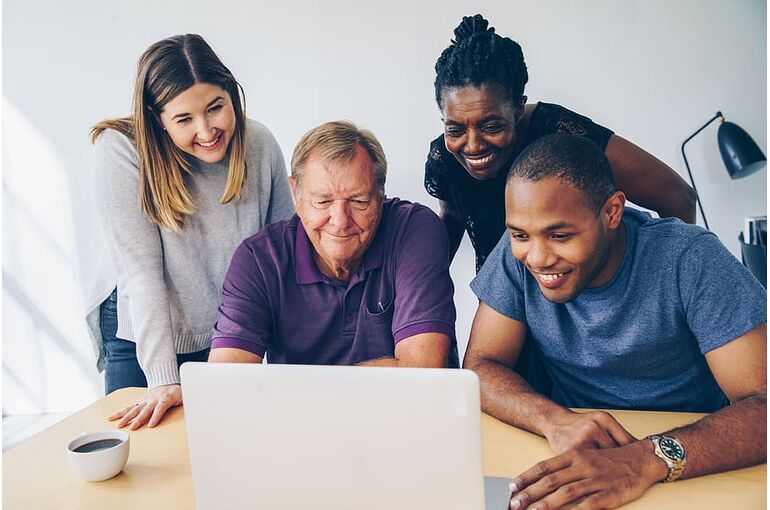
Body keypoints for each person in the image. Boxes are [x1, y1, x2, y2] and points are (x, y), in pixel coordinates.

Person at [464, 133, 766, 509]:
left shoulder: (692, 258)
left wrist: (642, 460)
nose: (537, 257)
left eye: (560, 235)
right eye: (520, 234)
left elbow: (763, 407)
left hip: (691, 460)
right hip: (576, 455)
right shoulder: (516, 258)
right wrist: (554, 421)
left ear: (612, 212)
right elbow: (480, 366)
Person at [87, 34, 294, 429]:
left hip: (224, 330)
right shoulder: (120, 151)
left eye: (216, 108)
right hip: (144, 335)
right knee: (150, 451)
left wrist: (286, 361)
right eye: (184, 119)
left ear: (232, 94)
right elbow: (142, 273)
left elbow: (283, 255)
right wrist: (163, 379)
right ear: (156, 118)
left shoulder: (260, 144)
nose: (206, 130)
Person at [427, 14, 697, 273]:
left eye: (492, 126)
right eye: (456, 129)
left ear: (519, 109)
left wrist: (667, 293)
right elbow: (453, 218)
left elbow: (677, 197)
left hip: (580, 302)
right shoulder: (445, 160)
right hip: (511, 300)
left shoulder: (561, 134)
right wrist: (422, 290)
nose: (473, 145)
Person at [208, 120, 457, 367]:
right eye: (323, 201)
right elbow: (227, 378)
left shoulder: (414, 230)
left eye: (358, 201)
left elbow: (421, 372)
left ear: (381, 194)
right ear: (296, 194)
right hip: (301, 408)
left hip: (401, 408)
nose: (340, 222)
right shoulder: (258, 260)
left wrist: (301, 388)